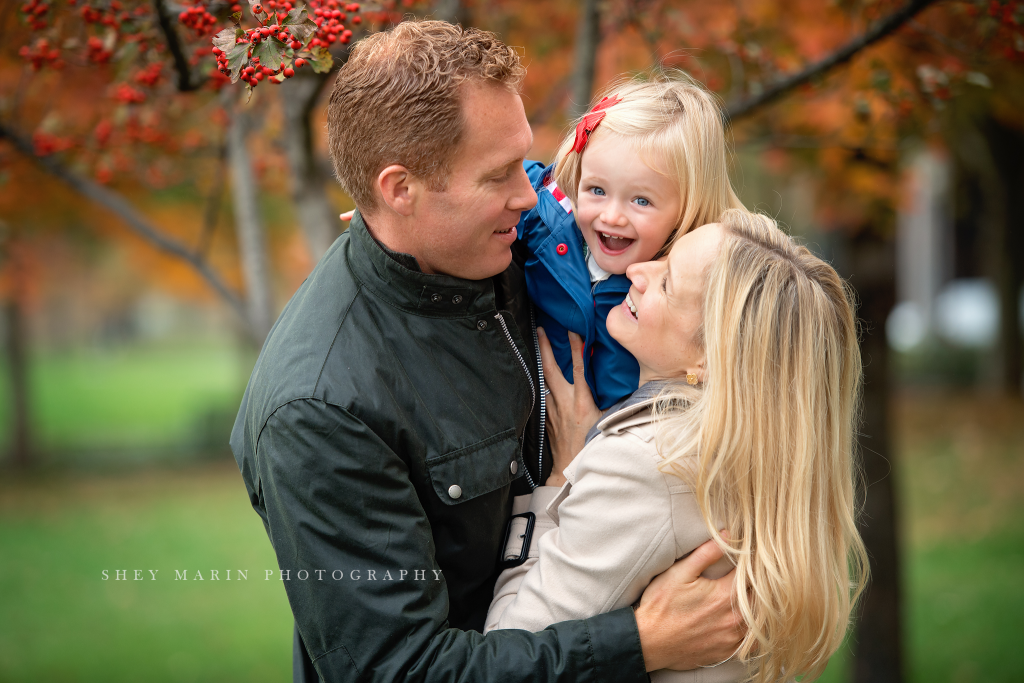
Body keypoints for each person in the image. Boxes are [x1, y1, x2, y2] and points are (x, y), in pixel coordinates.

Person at [230, 20, 743, 683]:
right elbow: (402, 670)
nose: (532, 195)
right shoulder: (320, 408)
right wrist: (639, 640)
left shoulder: (506, 246)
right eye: (499, 175)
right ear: (399, 190)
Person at [486, 210, 870, 683]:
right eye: (663, 258)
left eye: (667, 283)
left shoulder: (646, 466)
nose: (636, 271)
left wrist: (560, 479)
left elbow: (508, 651)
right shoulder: (763, 454)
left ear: (712, 357)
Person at [517, 73, 743, 411]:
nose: (611, 216)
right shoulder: (545, 223)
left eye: (641, 201)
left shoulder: (684, 302)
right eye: (597, 190)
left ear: (686, 210)